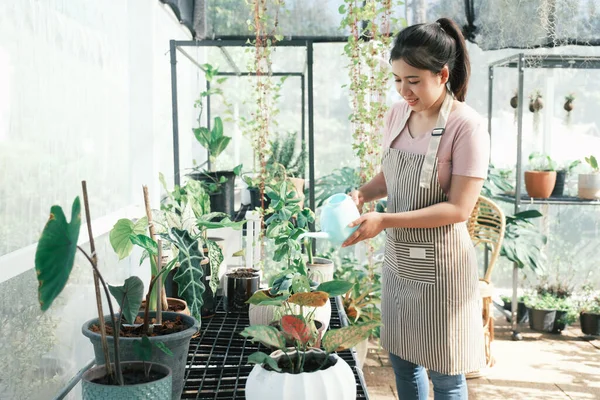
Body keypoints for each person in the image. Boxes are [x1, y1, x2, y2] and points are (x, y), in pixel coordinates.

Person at [342, 17, 490, 400]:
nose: (403, 90)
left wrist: (385, 220)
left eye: (413, 81)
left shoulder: (466, 127)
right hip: (400, 263)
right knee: (403, 364)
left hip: (442, 270)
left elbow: (458, 209)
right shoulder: (397, 115)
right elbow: (391, 175)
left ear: (442, 75)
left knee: (445, 377)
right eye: (396, 79)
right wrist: (362, 194)